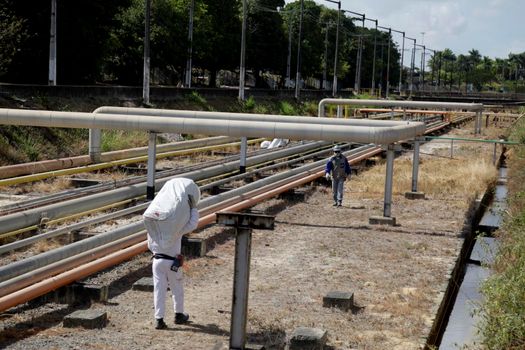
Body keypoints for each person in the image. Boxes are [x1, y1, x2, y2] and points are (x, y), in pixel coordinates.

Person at [143, 178, 200, 330]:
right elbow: (193, 223)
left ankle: (159, 320)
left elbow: (149, 245)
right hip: (173, 262)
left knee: (159, 290)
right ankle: (178, 315)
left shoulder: (153, 228)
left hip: (157, 261)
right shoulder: (176, 229)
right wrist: (193, 207)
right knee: (177, 289)